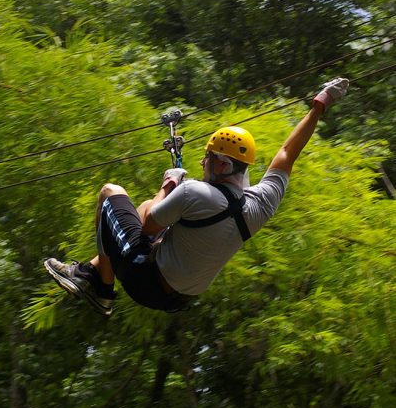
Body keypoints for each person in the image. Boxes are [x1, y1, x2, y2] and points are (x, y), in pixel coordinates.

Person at [44, 78, 349, 315]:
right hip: (177, 299)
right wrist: (318, 106)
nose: (202, 163)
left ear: (221, 164)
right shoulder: (261, 204)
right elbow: (286, 154)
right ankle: (92, 270)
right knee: (163, 230)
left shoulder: (194, 193)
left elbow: (144, 225)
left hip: (145, 281)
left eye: (207, 157)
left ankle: (101, 287)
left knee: (112, 193)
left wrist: (168, 184)